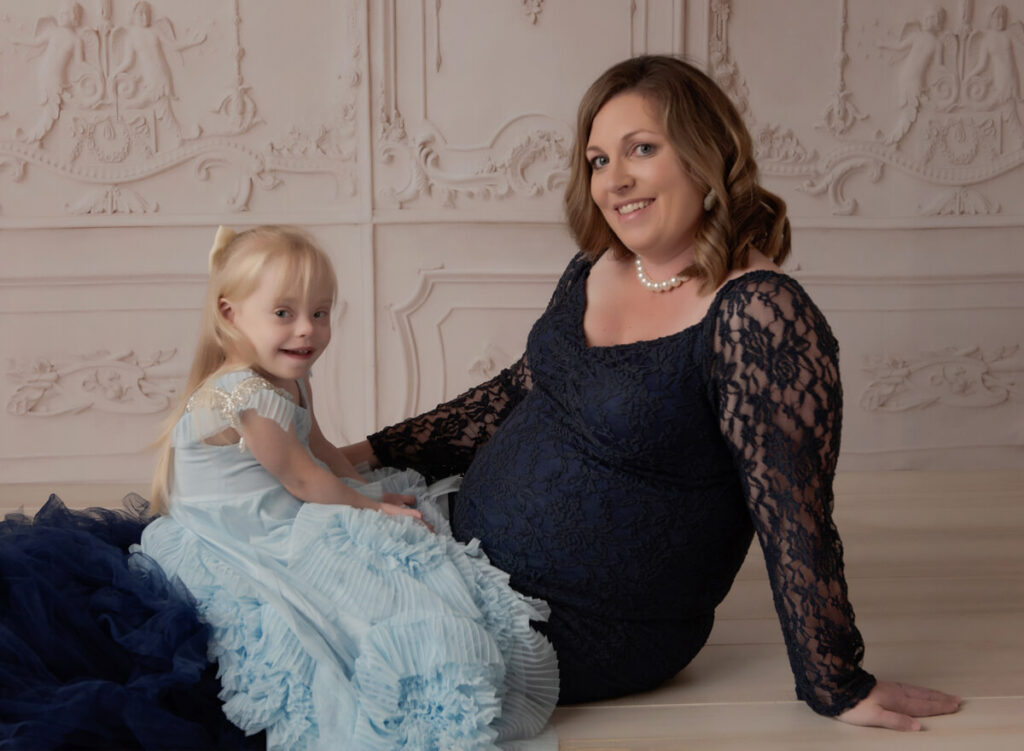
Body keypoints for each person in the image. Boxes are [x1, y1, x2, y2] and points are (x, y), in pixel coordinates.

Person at [343, 55, 962, 732]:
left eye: (642, 149)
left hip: (582, 624)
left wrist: (835, 680)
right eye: (599, 160)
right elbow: (515, 392)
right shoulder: (599, 265)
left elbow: (793, 513)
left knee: (329, 652)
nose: (616, 181)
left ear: (707, 154)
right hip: (458, 538)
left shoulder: (757, 314)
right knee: (254, 552)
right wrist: (362, 455)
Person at [137, 225, 559, 750]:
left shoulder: (288, 379)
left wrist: (367, 489)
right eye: (283, 314)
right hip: (240, 528)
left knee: (392, 526)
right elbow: (303, 478)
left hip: (282, 501)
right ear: (230, 314)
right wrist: (368, 508)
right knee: (349, 590)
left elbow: (319, 448)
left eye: (320, 313)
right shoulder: (244, 394)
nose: (306, 331)